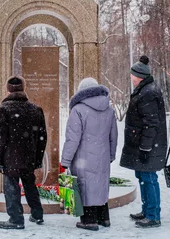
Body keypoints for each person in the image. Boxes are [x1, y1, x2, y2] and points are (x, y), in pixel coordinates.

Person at [61, 77, 118, 231]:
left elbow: (72, 139)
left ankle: (89, 221)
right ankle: (104, 218)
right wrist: (111, 155)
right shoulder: (109, 109)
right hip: (103, 156)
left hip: (83, 157)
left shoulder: (78, 110)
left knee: (85, 186)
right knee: (100, 185)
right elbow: (113, 136)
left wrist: (65, 161)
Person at [0, 76, 47, 230]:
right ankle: (37, 213)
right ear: (24, 88)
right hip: (29, 156)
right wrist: (38, 158)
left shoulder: (3, 110)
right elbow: (42, 138)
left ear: (8, 89)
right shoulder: (36, 110)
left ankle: (16, 219)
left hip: (11, 157)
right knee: (30, 185)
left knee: (11, 188)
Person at [119, 55, 167, 228]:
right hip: (144, 144)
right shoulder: (145, 90)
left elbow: (151, 124)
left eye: (132, 75)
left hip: (148, 146)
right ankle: (147, 210)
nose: (130, 77)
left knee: (149, 178)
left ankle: (153, 215)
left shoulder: (147, 93)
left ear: (138, 76)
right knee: (143, 177)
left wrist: (146, 148)